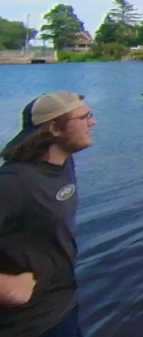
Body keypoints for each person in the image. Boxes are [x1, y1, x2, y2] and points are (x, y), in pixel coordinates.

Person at [1, 92, 96, 337]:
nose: (92, 122)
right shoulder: (14, 183)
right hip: (27, 325)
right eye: (84, 117)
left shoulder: (63, 162)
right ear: (54, 128)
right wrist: (6, 286)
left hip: (62, 305)